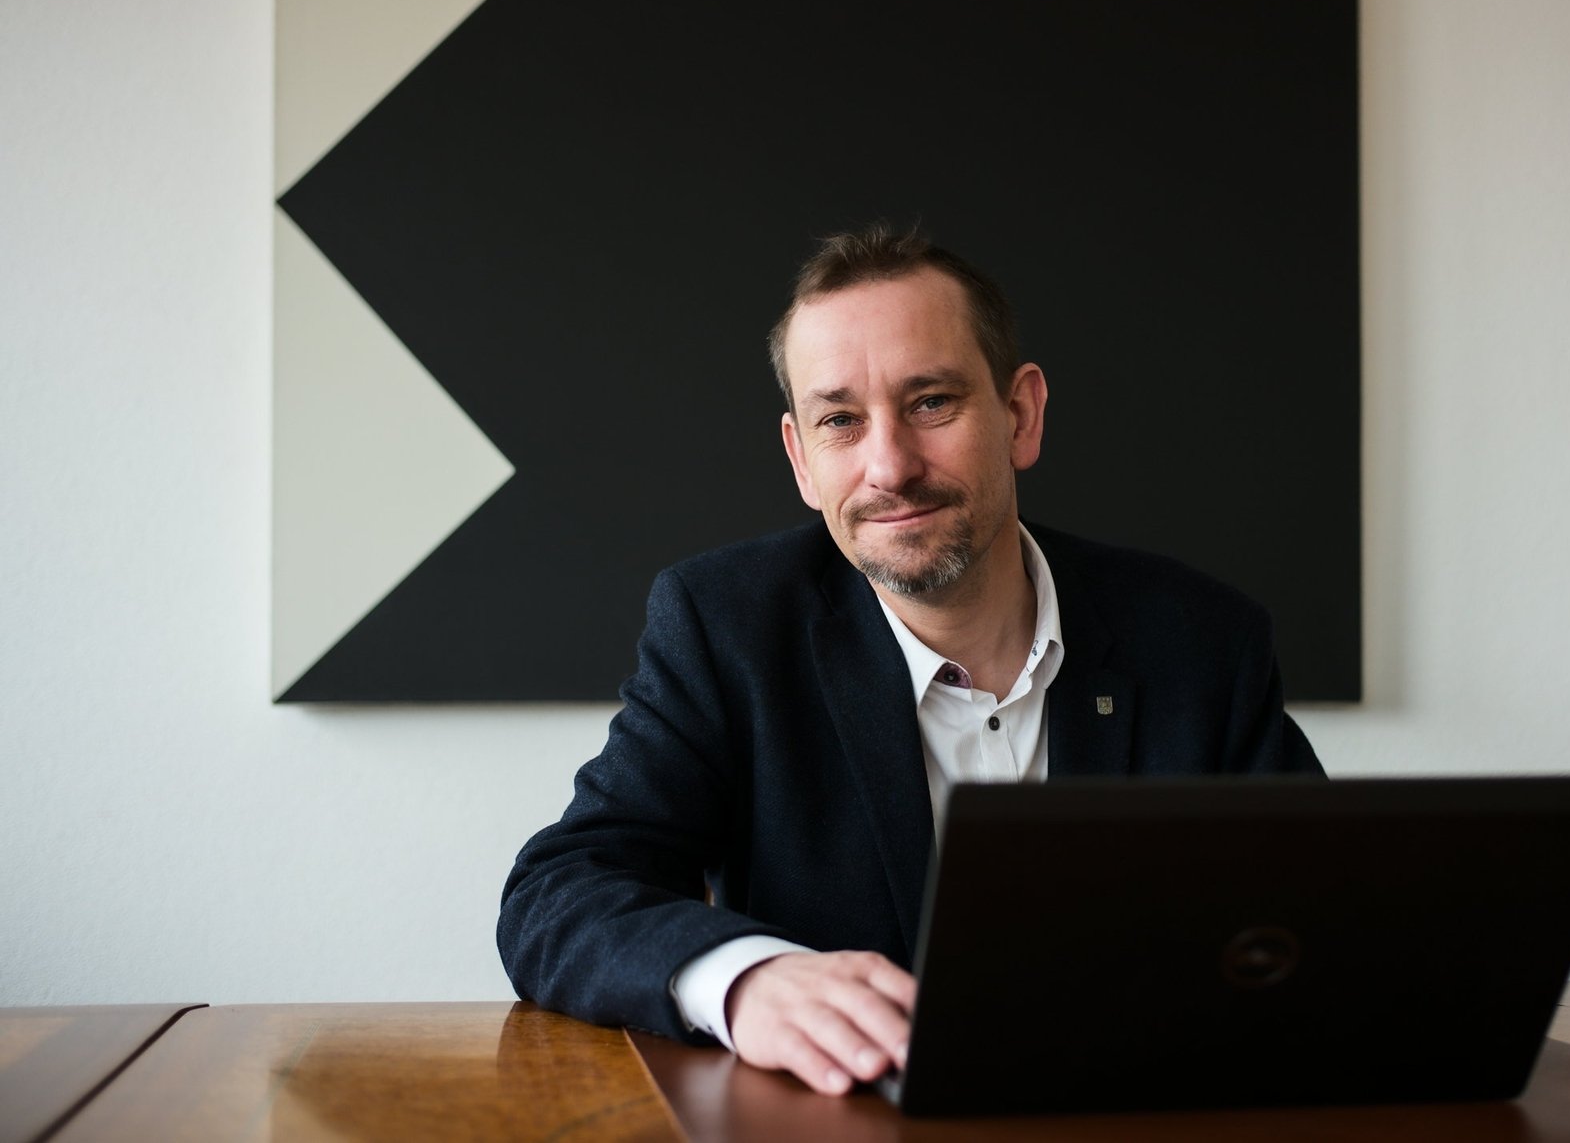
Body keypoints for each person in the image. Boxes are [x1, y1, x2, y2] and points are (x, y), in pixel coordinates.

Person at [497, 224, 1323, 1096]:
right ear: (802, 461)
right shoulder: (727, 627)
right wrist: (747, 980)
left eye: (931, 402)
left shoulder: (1199, 638)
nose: (888, 465)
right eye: (841, 421)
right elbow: (559, 895)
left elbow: (1325, 920)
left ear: (1021, 415)